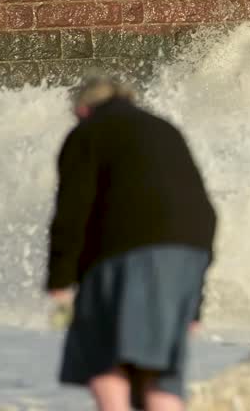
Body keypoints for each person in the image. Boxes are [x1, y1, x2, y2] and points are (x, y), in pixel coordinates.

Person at [46, 75, 217, 411]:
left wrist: (60, 280)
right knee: (161, 374)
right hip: (192, 249)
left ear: (82, 109)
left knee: (104, 363)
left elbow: (72, 210)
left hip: (130, 250)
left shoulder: (88, 132)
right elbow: (200, 207)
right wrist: (195, 302)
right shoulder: (164, 128)